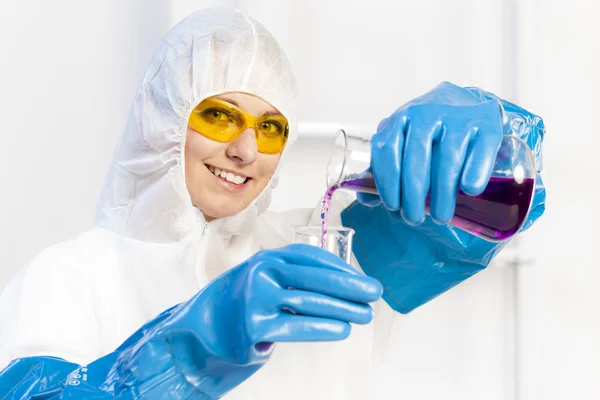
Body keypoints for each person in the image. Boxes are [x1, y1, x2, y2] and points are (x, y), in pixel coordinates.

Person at [0, 7, 546, 399]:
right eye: (218, 115)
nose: (243, 150)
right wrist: (186, 352)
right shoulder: (70, 276)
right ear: (163, 116)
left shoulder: (324, 255)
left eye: (268, 128)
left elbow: (474, 220)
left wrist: (496, 138)